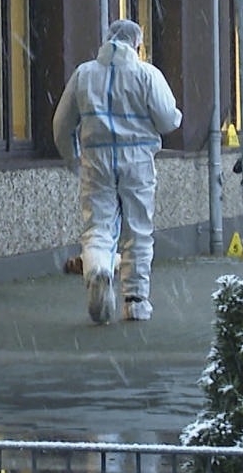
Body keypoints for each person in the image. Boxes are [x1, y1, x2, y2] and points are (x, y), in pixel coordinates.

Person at [52, 18, 182, 324]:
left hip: (96, 159)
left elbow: (62, 124)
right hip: (137, 159)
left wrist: (74, 158)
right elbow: (167, 120)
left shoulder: (84, 74)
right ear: (136, 44)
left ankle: (97, 267)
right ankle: (135, 301)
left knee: (98, 225)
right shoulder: (146, 74)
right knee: (137, 230)